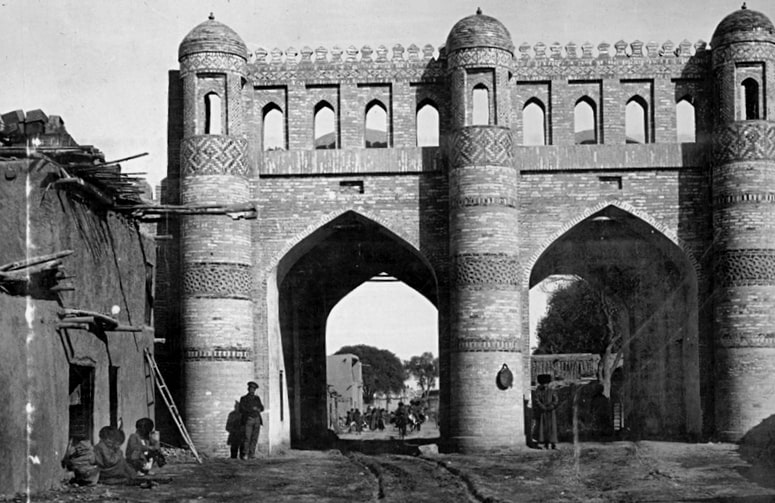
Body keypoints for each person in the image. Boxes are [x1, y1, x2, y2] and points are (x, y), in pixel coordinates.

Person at [239, 381, 264, 459]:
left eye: (253, 389)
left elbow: (262, 408)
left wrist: (258, 408)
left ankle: (252, 454)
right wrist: (252, 409)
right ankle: (245, 454)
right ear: (248, 389)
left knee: (254, 438)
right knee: (247, 437)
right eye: (251, 389)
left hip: (257, 419)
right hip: (249, 419)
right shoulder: (244, 399)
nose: (252, 390)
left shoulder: (257, 398)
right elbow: (241, 409)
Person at [534, 374, 559, 449]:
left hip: (551, 411)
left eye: (546, 384)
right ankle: (546, 442)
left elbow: (556, 400)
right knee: (544, 427)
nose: (545, 385)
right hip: (543, 411)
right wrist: (542, 407)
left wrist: (552, 406)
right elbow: (537, 400)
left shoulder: (552, 391)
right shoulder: (538, 391)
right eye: (543, 384)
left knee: (552, 427)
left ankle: (553, 443)